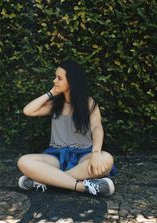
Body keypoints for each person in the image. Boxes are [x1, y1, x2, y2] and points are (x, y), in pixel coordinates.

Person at [17, 60, 116, 196]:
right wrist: (51, 92)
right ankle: (81, 186)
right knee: (24, 161)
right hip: (56, 156)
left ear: (72, 81)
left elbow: (97, 127)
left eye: (59, 78)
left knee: (107, 159)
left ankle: (47, 180)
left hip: (83, 154)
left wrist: (96, 153)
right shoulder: (55, 105)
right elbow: (28, 111)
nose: (54, 81)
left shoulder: (88, 103)